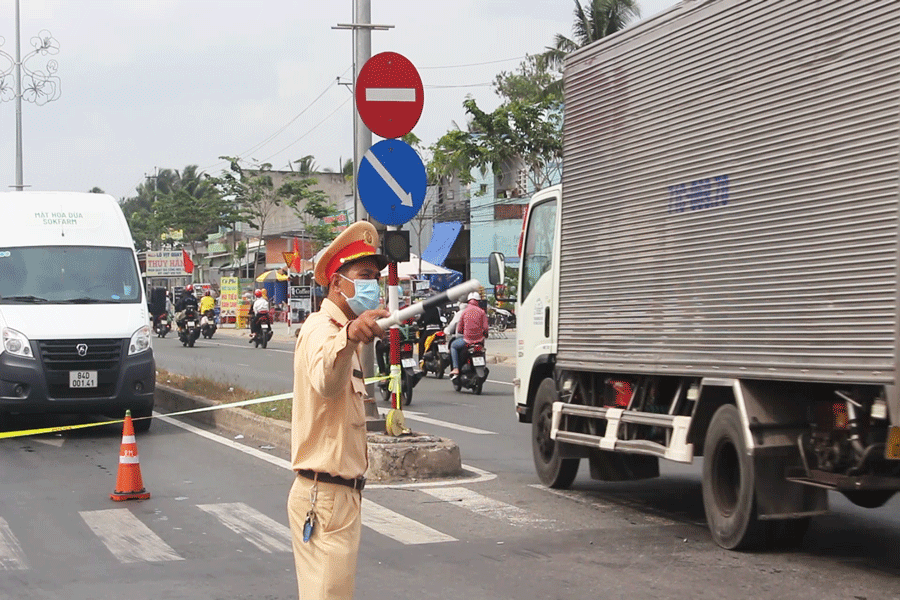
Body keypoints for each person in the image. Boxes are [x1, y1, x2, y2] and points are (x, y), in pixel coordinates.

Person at [288, 221, 389, 600]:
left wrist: (350, 335)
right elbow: (327, 381)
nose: (372, 285)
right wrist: (347, 338)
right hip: (324, 497)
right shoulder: (322, 329)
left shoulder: (342, 330)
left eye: (375, 278)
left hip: (339, 498)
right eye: (364, 276)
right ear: (337, 284)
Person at [449, 291, 488, 378]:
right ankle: (484, 366)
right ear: (478, 301)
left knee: (453, 346)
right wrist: (485, 335)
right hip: (479, 341)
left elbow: (459, 329)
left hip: (466, 341)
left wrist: (463, 332)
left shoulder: (464, 312)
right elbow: (485, 328)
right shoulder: (482, 312)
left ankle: (456, 368)